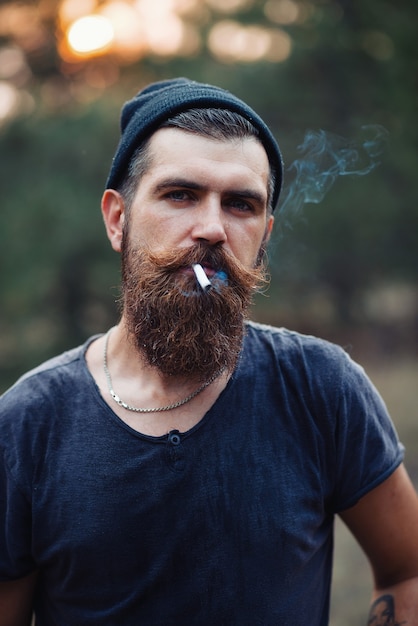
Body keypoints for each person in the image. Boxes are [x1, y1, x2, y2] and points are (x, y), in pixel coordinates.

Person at [0, 77, 417, 626]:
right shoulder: (28, 425)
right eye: (180, 195)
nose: (213, 229)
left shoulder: (322, 387)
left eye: (240, 204)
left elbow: (406, 570)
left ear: (264, 234)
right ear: (117, 219)